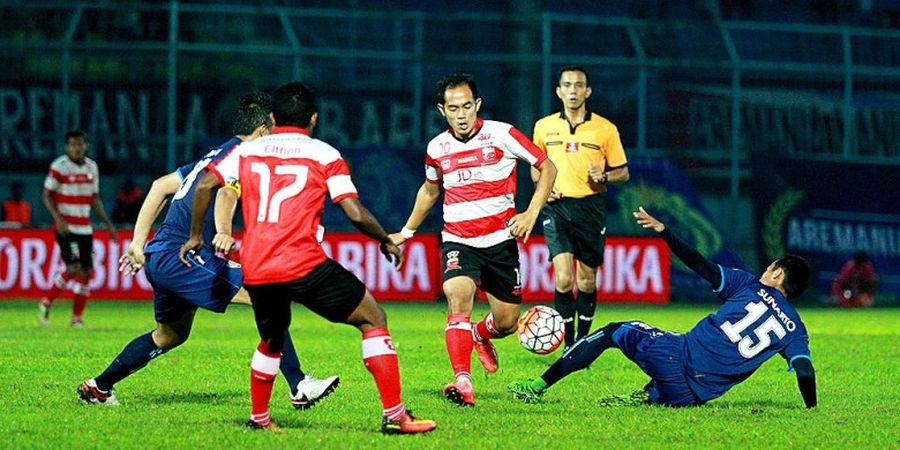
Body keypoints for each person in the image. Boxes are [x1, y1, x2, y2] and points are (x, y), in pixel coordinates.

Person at [180, 82, 437, 434]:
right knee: (373, 318)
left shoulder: (248, 151)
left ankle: (259, 419)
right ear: (313, 118)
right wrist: (385, 240)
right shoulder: (324, 154)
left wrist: (196, 235)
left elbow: (207, 184)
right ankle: (395, 416)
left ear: (272, 117)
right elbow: (354, 212)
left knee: (272, 338)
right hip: (304, 264)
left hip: (257, 266)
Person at [77, 92, 339, 410]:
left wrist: (137, 243)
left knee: (170, 336)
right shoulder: (244, 156)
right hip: (183, 255)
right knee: (265, 295)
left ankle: (99, 387)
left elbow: (160, 186)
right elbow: (227, 194)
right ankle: (299, 385)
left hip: (162, 254)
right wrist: (224, 232)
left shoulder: (214, 155)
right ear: (263, 130)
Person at [508, 207, 817, 410]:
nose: (764, 270)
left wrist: (665, 232)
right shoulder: (795, 329)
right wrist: (811, 409)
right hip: (689, 398)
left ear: (777, 274)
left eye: (769, 267)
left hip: (675, 361)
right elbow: (804, 371)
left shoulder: (749, 285)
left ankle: (536, 387)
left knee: (615, 331)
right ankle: (647, 395)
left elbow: (698, 262)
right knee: (671, 343)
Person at [389, 73, 557, 407]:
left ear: (477, 104)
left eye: (467, 106)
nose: (462, 114)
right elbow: (430, 190)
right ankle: (462, 381)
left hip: (500, 241)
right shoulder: (437, 148)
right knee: (458, 300)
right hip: (458, 240)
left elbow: (547, 167)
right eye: (454, 108)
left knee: (508, 322)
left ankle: (481, 335)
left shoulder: (502, 134)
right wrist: (406, 233)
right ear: (442, 110)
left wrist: (530, 212)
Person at [532, 66, 630, 349]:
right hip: (556, 208)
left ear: (587, 91)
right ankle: (567, 343)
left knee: (586, 280)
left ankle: (583, 341)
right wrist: (546, 188)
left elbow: (623, 172)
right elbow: (536, 171)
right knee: (563, 278)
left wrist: (604, 177)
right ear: (558, 91)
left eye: (578, 86)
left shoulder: (605, 129)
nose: (573, 91)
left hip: (590, 207)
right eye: (567, 85)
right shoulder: (543, 127)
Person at [40, 130, 118, 327]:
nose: (77, 148)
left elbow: (94, 198)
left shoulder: (92, 167)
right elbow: (46, 195)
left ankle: (76, 319)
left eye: (80, 144)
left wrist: (108, 224)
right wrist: (58, 219)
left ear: (86, 145)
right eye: (73, 144)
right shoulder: (59, 167)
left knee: (85, 273)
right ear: (67, 147)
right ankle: (46, 302)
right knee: (74, 268)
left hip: (85, 228)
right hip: (66, 227)